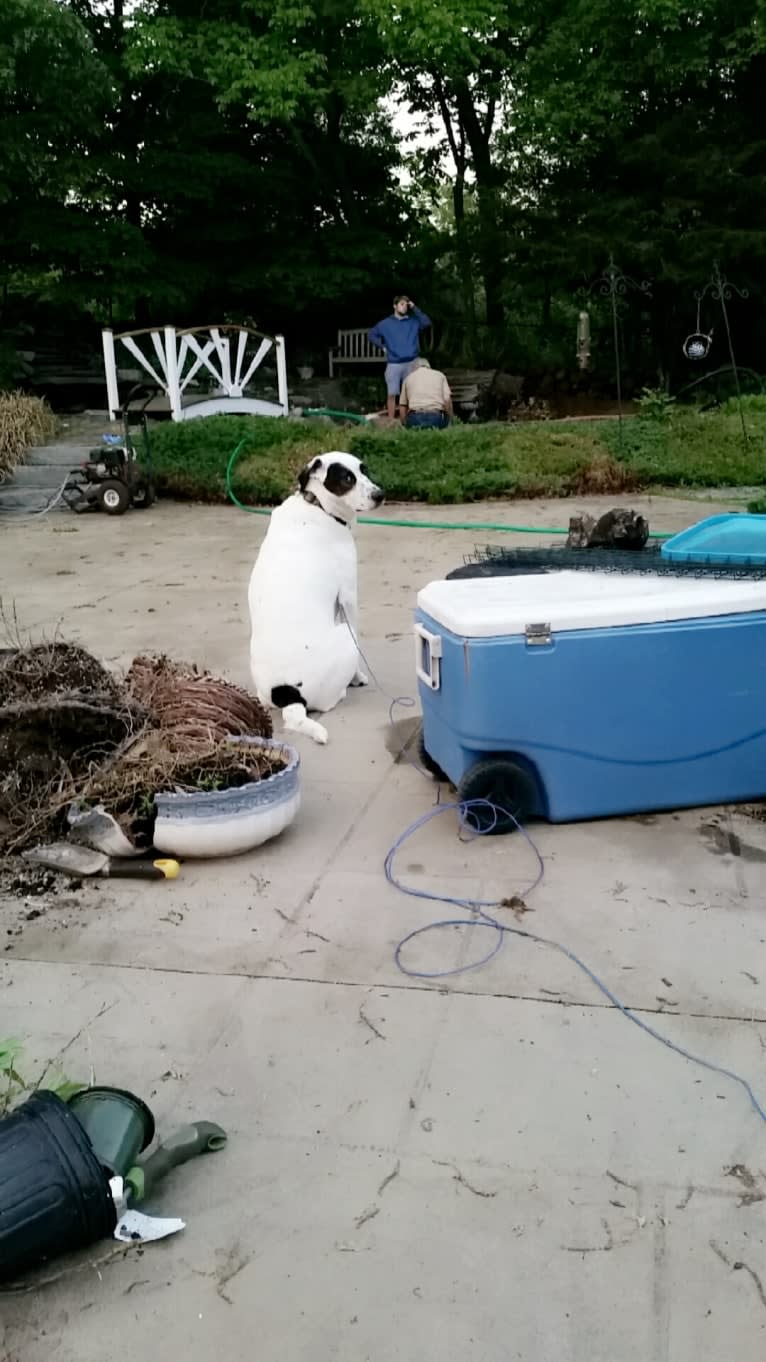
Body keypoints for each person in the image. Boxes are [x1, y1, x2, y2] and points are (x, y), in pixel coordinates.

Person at [368, 295, 431, 419]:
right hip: (394, 363)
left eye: (406, 305)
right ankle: (391, 422)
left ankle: (411, 421)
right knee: (392, 394)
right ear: (395, 306)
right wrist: (382, 346)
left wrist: (415, 308)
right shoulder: (385, 324)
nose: (404, 307)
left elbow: (426, 322)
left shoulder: (413, 322)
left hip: (412, 362)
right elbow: (372, 334)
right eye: (401, 304)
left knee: (412, 393)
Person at [399, 358, 452, 429]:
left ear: (414, 368)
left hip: (415, 417)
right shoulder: (440, 375)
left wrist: (404, 424)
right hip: (436, 416)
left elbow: (403, 406)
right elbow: (447, 400)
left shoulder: (408, 378)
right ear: (429, 366)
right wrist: (448, 420)